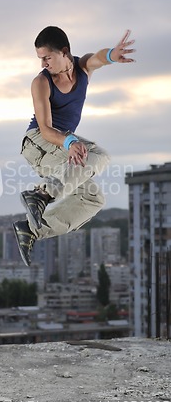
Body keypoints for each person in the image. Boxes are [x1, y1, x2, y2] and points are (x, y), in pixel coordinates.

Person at [13, 26, 135, 266]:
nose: (43, 64)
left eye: (47, 57)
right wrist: (70, 142)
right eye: (40, 59)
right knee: (99, 155)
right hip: (39, 142)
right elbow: (46, 129)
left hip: (61, 144)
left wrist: (112, 54)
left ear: (64, 52)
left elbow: (98, 58)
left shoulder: (82, 68)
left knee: (93, 199)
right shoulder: (41, 82)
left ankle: (31, 230)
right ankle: (41, 194)